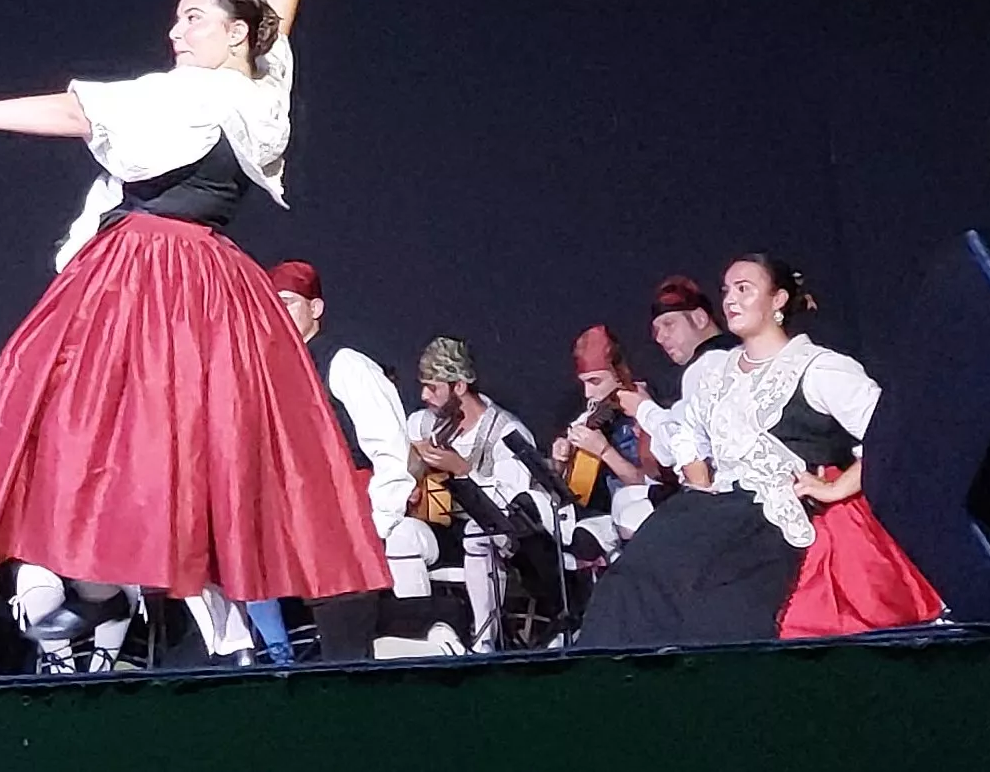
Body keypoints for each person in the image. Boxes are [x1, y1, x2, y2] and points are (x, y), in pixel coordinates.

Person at [0, 0, 390, 645]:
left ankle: (111, 588)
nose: (175, 31)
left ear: (234, 34)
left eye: (193, 18)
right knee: (167, 426)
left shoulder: (188, 97)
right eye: (176, 19)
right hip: (210, 278)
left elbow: (78, 111)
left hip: (153, 269)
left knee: (81, 408)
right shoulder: (261, 90)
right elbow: (273, 28)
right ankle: (104, 585)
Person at [575, 254, 944, 647]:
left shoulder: (818, 368)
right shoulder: (718, 373)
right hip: (717, 508)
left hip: (776, 515)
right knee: (632, 581)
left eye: (744, 289)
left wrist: (836, 488)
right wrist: (701, 482)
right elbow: (687, 434)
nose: (731, 299)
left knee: (719, 607)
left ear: (778, 299)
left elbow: (892, 432)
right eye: (727, 291)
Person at [265, 261, 451, 658]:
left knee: (343, 636)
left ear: (315, 308)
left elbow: (391, 447)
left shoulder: (345, 363)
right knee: (337, 623)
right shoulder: (278, 370)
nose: (279, 314)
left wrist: (377, 519)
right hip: (309, 522)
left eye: (289, 303)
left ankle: (435, 626)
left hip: (346, 515)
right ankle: (430, 627)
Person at [403, 338, 541, 650]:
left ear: (460, 386)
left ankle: (484, 641)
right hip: (442, 529)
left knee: (478, 533)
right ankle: (421, 632)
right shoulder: (423, 423)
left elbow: (513, 503)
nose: (424, 396)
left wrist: (465, 471)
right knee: (402, 535)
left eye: (434, 387)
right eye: (423, 386)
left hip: (497, 538)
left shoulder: (506, 432)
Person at [549, 327, 662, 543]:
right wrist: (560, 461)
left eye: (595, 382)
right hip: (595, 516)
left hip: (640, 525)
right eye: (583, 382)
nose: (587, 393)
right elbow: (574, 487)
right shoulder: (595, 414)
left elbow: (652, 486)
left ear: (619, 374)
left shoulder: (645, 413)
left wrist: (604, 451)